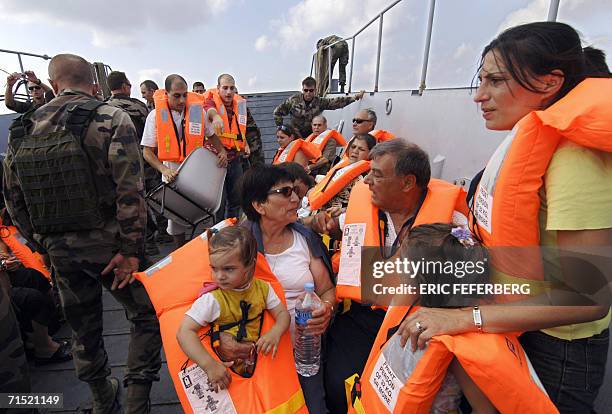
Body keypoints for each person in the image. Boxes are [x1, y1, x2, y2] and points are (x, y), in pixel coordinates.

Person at [394, 22, 612, 413]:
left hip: (556, 349)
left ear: (549, 83)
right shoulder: (528, 137)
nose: (479, 96)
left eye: (495, 81)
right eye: (481, 81)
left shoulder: (574, 158)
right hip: (514, 320)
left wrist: (464, 318)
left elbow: (590, 296)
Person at [3, 53, 163, 414]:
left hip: (59, 249)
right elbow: (131, 191)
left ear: (54, 84)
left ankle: (102, 400)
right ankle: (137, 401)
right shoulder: (111, 117)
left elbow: (13, 198)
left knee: (83, 328)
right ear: (94, 83)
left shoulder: (23, 127)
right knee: (145, 315)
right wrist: (132, 250)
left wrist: (43, 243)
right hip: (111, 248)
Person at [309, 139, 468, 413]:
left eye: (377, 175)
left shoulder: (454, 225)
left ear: (407, 183)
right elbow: (325, 225)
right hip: (363, 318)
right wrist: (317, 222)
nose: (367, 181)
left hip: (417, 326)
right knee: (336, 384)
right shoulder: (362, 212)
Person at [240, 165, 336, 413]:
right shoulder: (238, 247)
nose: (296, 198)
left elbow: (326, 291)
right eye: (285, 192)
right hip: (257, 357)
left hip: (304, 352)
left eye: (295, 191)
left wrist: (326, 310)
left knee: (315, 408)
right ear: (259, 206)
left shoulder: (305, 239)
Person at [176, 226, 290, 391]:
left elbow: (282, 314)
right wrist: (210, 366)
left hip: (258, 372)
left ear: (250, 266)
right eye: (214, 268)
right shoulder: (212, 300)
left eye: (228, 269)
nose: (220, 276)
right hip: (225, 377)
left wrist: (275, 332)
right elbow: (184, 332)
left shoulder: (263, 289)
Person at [141, 74, 227, 248]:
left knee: (204, 215)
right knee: (176, 221)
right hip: (172, 172)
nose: (181, 100)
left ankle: (205, 252)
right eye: (176, 95)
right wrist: (163, 170)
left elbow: (211, 136)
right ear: (166, 94)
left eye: (184, 95)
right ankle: (181, 253)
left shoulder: (198, 112)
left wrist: (222, 151)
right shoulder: (154, 116)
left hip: (196, 171)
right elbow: (147, 152)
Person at [106, 71, 162, 256]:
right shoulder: (139, 107)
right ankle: (162, 232)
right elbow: (153, 132)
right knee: (156, 195)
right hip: (143, 160)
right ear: (124, 86)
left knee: (131, 201)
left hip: (119, 165)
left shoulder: (104, 108)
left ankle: (144, 242)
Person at [203, 74, 251, 223]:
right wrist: (216, 117)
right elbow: (209, 110)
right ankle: (217, 234)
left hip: (235, 158)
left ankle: (233, 231)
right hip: (216, 159)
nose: (229, 92)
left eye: (232, 88)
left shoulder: (239, 104)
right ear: (218, 89)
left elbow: (240, 130)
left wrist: (246, 143)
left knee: (236, 199)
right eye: (225, 88)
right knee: (218, 203)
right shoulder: (210, 101)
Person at [273, 76, 365, 138]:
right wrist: (282, 129)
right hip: (295, 136)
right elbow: (277, 112)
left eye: (311, 90)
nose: (308, 93)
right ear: (302, 90)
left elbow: (336, 102)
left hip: (312, 136)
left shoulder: (319, 102)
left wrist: (355, 97)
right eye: (306, 90)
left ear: (315, 90)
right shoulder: (293, 100)